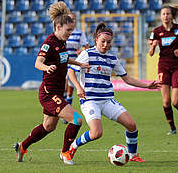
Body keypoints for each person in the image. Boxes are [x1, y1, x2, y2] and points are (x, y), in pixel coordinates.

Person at [67, 22, 160, 163]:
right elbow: (71, 72)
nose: (105, 44)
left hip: (107, 100)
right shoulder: (87, 54)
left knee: (131, 125)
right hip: (90, 100)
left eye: (108, 42)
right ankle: (72, 146)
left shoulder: (112, 59)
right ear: (96, 40)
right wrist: (79, 88)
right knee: (96, 133)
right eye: (102, 41)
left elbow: (127, 79)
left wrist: (147, 86)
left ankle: (133, 155)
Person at [13, 1, 89, 165]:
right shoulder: (49, 43)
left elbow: (63, 59)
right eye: (68, 30)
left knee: (48, 126)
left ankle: (22, 146)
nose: (70, 33)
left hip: (56, 92)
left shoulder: (62, 42)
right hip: (49, 94)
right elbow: (37, 62)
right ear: (58, 27)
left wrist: (78, 64)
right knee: (76, 120)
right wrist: (46, 67)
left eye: (71, 30)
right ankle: (65, 153)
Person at [148, 5, 178, 135]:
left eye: (168, 14)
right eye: (163, 14)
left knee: (175, 101)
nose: (165, 16)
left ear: (172, 16)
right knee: (166, 101)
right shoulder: (156, 32)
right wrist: (153, 47)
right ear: (161, 16)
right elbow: (150, 53)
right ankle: (172, 128)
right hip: (163, 67)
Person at [61, 12, 89, 124]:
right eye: (70, 19)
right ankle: (65, 110)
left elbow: (86, 47)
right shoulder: (63, 32)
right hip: (63, 62)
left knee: (71, 87)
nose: (72, 21)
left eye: (73, 19)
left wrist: (81, 51)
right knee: (65, 87)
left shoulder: (79, 33)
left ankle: (67, 112)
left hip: (75, 63)